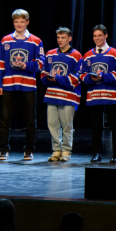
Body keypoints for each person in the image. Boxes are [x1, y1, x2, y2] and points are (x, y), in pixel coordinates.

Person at [0, 9, 44, 161]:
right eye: (16, 22)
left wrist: (26, 66)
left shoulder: (36, 41)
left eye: (22, 22)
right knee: (4, 119)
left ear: (27, 22)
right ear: (13, 22)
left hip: (28, 85)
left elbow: (41, 63)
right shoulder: (6, 40)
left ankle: (29, 150)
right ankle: (3, 150)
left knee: (30, 120)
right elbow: (0, 63)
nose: (19, 24)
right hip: (8, 84)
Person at [80, 25, 116, 163]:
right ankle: (96, 153)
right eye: (95, 36)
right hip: (94, 95)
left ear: (106, 36)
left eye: (100, 35)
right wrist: (90, 78)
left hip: (112, 95)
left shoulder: (115, 53)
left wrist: (103, 76)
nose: (97, 38)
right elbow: (82, 74)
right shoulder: (88, 55)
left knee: (115, 125)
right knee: (95, 126)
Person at [41, 27, 82, 162]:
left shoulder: (76, 55)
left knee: (66, 125)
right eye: (58, 37)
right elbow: (43, 73)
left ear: (69, 38)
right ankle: (56, 150)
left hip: (68, 97)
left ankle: (66, 151)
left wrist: (57, 79)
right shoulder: (50, 53)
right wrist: (48, 78)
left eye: (63, 37)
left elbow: (76, 78)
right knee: (52, 124)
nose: (60, 40)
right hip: (52, 95)